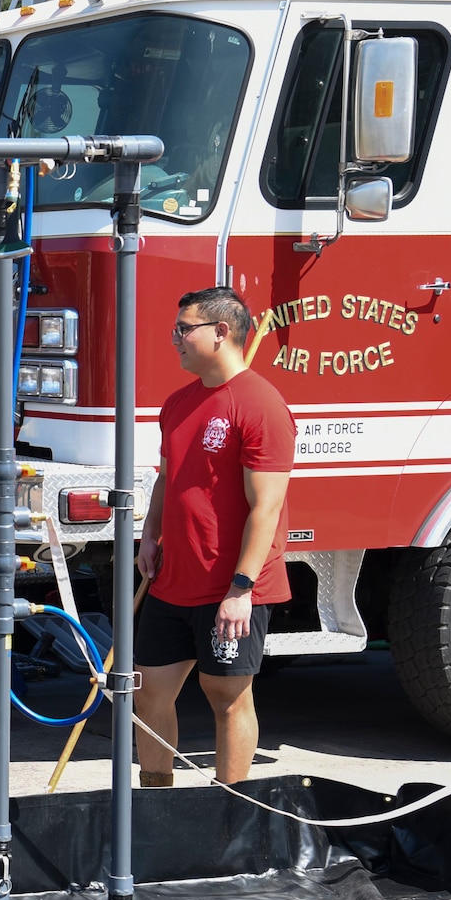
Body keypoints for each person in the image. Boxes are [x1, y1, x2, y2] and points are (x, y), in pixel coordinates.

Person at [133, 286, 295, 787]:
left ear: (222, 332)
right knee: (147, 691)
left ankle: (231, 808)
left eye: (185, 328)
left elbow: (265, 507)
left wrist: (241, 589)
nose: (174, 338)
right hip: (174, 578)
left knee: (226, 696)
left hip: (231, 586)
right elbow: (170, 476)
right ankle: (156, 804)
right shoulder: (179, 402)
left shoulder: (260, 405)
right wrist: (150, 535)